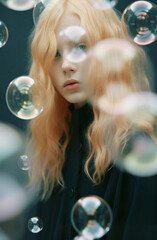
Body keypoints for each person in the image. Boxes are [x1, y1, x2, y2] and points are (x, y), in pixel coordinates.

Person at [22, 0, 157, 239]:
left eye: (80, 48)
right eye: (54, 54)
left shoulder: (137, 149)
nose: (66, 65)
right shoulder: (53, 152)